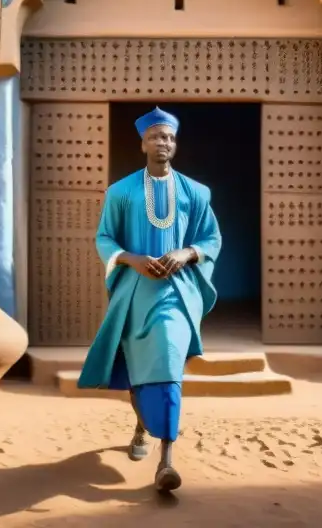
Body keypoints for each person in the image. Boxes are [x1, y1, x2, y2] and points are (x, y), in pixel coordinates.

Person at [77, 107, 222, 493]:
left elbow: (211, 239)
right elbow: (104, 238)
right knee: (137, 366)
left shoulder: (196, 192)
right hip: (134, 293)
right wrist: (132, 259)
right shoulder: (120, 192)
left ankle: (166, 461)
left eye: (170, 138)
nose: (165, 143)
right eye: (158, 137)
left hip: (177, 293)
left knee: (169, 360)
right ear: (143, 142)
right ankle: (141, 426)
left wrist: (186, 253)